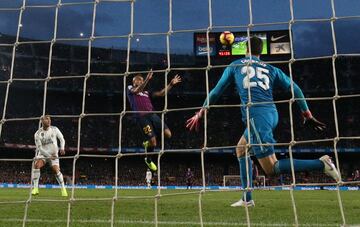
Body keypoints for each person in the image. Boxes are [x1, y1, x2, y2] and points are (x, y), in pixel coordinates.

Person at [186, 36, 341, 207]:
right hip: (271, 113)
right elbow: (295, 88)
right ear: (260, 52)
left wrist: (200, 112)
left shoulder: (236, 65)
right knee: (241, 150)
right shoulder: (271, 69)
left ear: (245, 50)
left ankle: (321, 164)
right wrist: (307, 114)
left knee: (271, 168)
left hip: (256, 117)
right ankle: (247, 198)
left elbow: (216, 92)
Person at [127, 70, 181, 171]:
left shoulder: (146, 92)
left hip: (152, 115)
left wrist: (171, 84)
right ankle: (148, 159)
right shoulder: (130, 89)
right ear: (133, 82)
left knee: (168, 134)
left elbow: (161, 93)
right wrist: (147, 79)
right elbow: (136, 91)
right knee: (154, 143)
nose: (139, 81)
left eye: (141, 80)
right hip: (141, 117)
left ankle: (148, 141)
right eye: (137, 80)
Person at [31, 115, 68, 196]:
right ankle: (35, 188)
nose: (49, 121)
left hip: (53, 154)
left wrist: (62, 148)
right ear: (42, 121)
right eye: (47, 119)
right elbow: (39, 148)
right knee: (36, 165)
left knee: (56, 170)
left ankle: (63, 189)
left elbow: (62, 138)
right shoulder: (37, 134)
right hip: (43, 154)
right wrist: (48, 156)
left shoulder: (55, 129)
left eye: (50, 119)